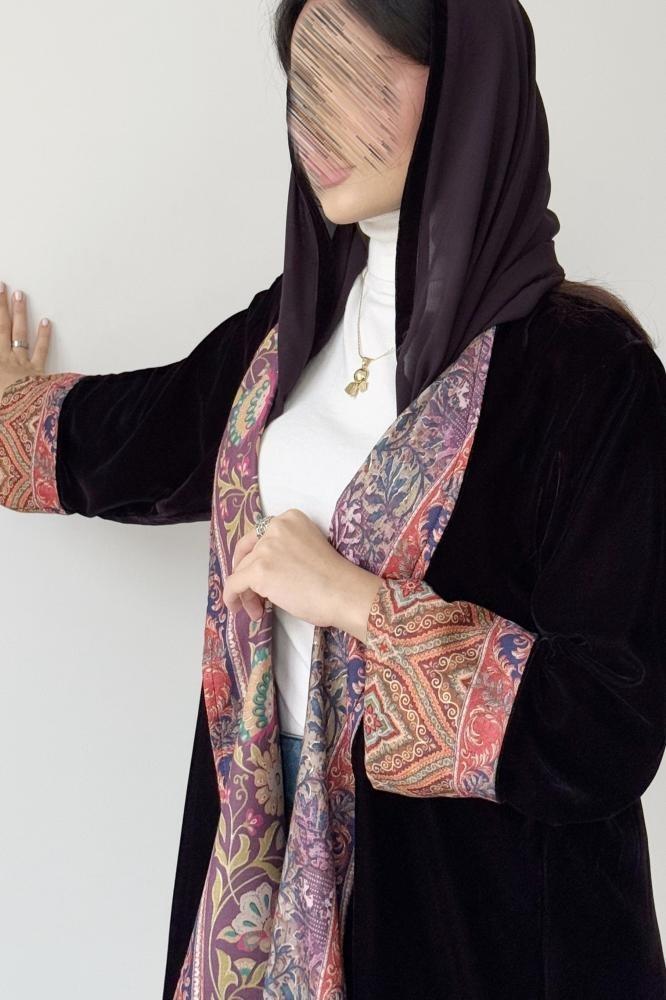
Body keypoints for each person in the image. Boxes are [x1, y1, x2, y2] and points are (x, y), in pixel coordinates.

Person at [1, 1, 665, 998]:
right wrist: (13, 411)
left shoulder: (590, 376)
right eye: (304, 84)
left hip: (487, 917)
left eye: (356, 76)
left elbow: (609, 724)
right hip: (266, 854)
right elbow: (134, 440)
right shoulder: (292, 330)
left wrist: (356, 600)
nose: (316, 120)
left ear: (470, 92)